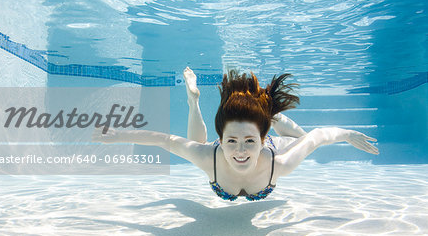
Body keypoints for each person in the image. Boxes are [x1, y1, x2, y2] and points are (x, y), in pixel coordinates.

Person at [92, 67, 379, 201]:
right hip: (227, 143)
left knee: (297, 136)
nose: (240, 151)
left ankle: (271, 117)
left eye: (250, 141)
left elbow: (316, 136)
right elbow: (164, 140)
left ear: (262, 140)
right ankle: (194, 103)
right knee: (196, 144)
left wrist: (346, 134)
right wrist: (116, 135)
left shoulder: (280, 161)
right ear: (221, 138)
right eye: (231, 141)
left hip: (276, 140)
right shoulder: (209, 156)